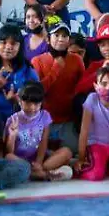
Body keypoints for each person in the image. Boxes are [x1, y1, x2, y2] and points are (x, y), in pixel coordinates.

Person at [31, 19, 85, 152]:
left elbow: (82, 87)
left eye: (64, 36)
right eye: (56, 35)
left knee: (71, 151)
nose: (61, 39)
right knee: (38, 152)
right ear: (48, 39)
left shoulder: (77, 60)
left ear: (69, 40)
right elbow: (36, 93)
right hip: (43, 120)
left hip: (68, 121)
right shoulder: (37, 61)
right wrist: (56, 69)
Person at [5, 82, 73, 182]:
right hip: (21, 160)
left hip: (40, 159)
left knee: (67, 152)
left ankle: (38, 172)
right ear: (20, 101)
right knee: (8, 157)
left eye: (36, 104)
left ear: (41, 103)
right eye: (28, 103)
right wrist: (12, 135)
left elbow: (43, 141)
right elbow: (9, 151)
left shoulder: (45, 116)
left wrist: (39, 163)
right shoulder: (12, 120)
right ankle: (44, 174)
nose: (32, 108)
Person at [0, 24, 39, 127]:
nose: (8, 47)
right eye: (3, 42)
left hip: (19, 126)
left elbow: (37, 102)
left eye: (13, 43)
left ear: (20, 47)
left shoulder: (28, 71)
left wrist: (19, 101)